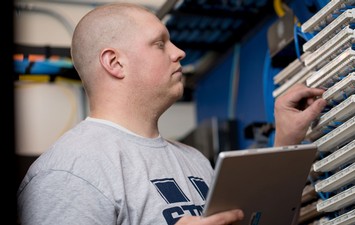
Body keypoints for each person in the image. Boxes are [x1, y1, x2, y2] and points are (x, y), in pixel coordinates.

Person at [16, 3, 327, 225]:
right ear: (115, 63)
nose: (178, 52)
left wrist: (287, 137)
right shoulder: (66, 174)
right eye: (159, 43)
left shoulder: (194, 161)